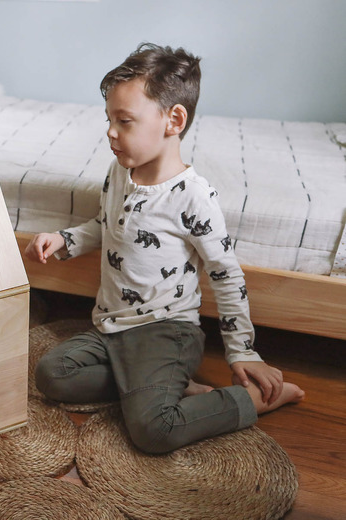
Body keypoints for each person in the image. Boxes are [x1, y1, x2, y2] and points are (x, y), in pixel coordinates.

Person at [27, 43, 304, 454]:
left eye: (124, 121)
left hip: (166, 332)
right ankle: (162, 384)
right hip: (111, 325)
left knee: (154, 431)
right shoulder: (119, 173)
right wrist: (65, 241)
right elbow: (106, 227)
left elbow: (226, 275)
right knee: (51, 374)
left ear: (173, 120)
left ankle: (251, 402)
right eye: (109, 119)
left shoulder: (193, 196)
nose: (110, 132)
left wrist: (243, 351)